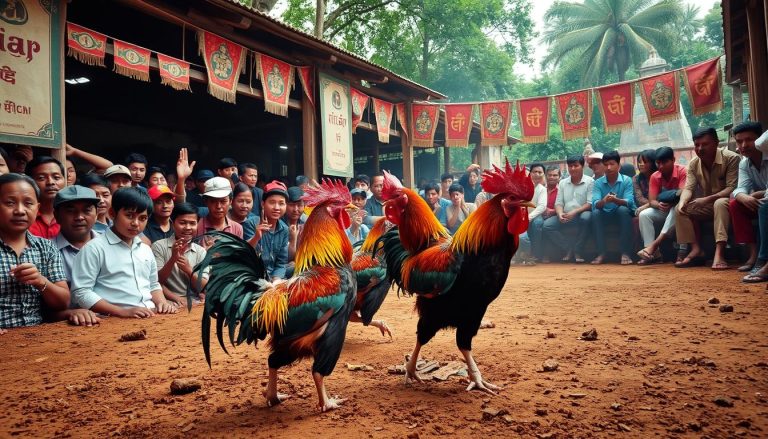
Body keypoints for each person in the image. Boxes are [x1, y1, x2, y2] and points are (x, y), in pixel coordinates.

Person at [71, 187, 177, 317]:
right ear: (112, 213)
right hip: (112, 321)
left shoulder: (145, 249)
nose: (135, 223)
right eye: (129, 215)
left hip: (149, 315)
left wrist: (162, 303)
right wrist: (122, 311)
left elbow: (153, 285)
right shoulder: (94, 248)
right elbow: (81, 292)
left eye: (142, 218)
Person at [0, 174, 69, 332]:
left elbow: (63, 302)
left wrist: (40, 281)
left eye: (28, 203)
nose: (20, 211)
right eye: (10, 203)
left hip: (37, 337)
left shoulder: (46, 247)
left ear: (37, 208)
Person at [675, 127, 740, 269]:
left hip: (730, 203)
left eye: (705, 144)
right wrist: (682, 202)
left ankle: (719, 253)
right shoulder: (693, 163)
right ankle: (696, 249)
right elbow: (689, 188)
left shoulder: (731, 158)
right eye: (697, 145)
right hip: (707, 205)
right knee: (680, 208)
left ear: (716, 143)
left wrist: (707, 199)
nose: (700, 148)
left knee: (720, 203)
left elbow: (732, 188)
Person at [51, 185, 102, 326]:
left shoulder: (112, 246)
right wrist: (70, 313)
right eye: (70, 211)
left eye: (87, 210)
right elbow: (40, 308)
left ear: (97, 213)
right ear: (56, 216)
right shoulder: (46, 253)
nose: (79, 217)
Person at [637, 146, 687, 265]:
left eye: (665, 162)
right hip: (663, 209)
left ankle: (678, 251)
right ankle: (652, 254)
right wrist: (659, 205)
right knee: (644, 214)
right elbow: (652, 200)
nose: (661, 166)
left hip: (681, 210)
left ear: (673, 160)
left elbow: (682, 194)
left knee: (676, 208)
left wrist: (670, 200)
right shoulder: (655, 176)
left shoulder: (682, 171)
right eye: (658, 163)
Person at [728, 122, 767, 273]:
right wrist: (744, 197)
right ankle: (753, 255)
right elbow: (740, 188)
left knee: (764, 205)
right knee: (735, 205)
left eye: (749, 140)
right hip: (760, 202)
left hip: (765, 202)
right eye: (739, 141)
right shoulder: (744, 163)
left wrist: (759, 194)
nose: (743, 145)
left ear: (759, 139)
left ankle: (762, 258)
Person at [152, 202, 208, 304]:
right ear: (173, 223)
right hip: (167, 301)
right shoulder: (159, 246)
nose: (187, 227)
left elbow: (203, 287)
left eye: (192, 223)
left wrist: (189, 271)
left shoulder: (200, 251)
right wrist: (173, 259)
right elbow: (156, 282)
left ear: (197, 224)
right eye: (182, 222)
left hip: (194, 301)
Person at [542, 155, 594, 263]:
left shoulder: (590, 181)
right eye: (570, 166)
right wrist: (560, 213)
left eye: (576, 165)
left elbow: (589, 203)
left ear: (582, 166)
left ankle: (578, 250)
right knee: (547, 225)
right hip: (565, 214)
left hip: (581, 213)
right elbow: (559, 202)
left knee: (586, 217)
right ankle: (568, 248)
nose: (573, 169)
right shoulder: (563, 183)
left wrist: (574, 212)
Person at [590, 150, 636, 265]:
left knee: (623, 209)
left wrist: (616, 200)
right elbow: (595, 203)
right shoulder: (598, 183)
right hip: (605, 213)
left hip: (620, 213)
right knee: (595, 213)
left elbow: (629, 202)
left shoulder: (627, 180)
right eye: (605, 165)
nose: (608, 167)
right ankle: (601, 252)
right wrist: (604, 201)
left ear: (619, 166)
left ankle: (625, 252)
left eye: (612, 164)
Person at [251, 181, 289, 281]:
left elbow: (281, 263)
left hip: (273, 277)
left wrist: (276, 281)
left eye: (281, 203)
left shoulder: (284, 229)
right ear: (263, 204)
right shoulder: (251, 223)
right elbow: (243, 254)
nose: (277, 208)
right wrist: (256, 237)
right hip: (253, 277)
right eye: (272, 202)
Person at [26, 156, 66, 239]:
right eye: (41, 178)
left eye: (56, 177)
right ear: (30, 182)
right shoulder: (23, 215)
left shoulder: (72, 216)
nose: (50, 182)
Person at [536, 166, 561, 262]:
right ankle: (537, 254)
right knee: (538, 224)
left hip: (556, 216)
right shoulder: (541, 189)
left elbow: (565, 205)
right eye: (549, 175)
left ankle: (546, 255)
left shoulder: (561, 190)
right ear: (546, 176)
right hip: (540, 215)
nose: (552, 177)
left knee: (546, 225)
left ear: (559, 177)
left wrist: (553, 211)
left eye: (555, 175)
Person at [524, 163, 548, 262]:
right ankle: (523, 254)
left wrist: (529, 217)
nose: (537, 174)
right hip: (521, 215)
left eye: (540, 172)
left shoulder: (542, 190)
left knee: (537, 223)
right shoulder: (522, 186)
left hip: (535, 215)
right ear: (530, 173)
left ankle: (536, 254)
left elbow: (542, 206)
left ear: (543, 174)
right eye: (535, 172)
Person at [633, 149, 657, 217]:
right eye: (639, 162)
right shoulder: (636, 178)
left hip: (660, 206)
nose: (641, 164)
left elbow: (661, 197)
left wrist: (648, 205)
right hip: (646, 208)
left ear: (653, 163)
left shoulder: (659, 176)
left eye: (645, 162)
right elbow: (640, 199)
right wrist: (651, 204)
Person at [284, 186, 306, 261]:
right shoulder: (278, 224)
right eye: (291, 205)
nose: (296, 209)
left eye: (299, 205)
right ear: (285, 204)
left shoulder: (306, 222)